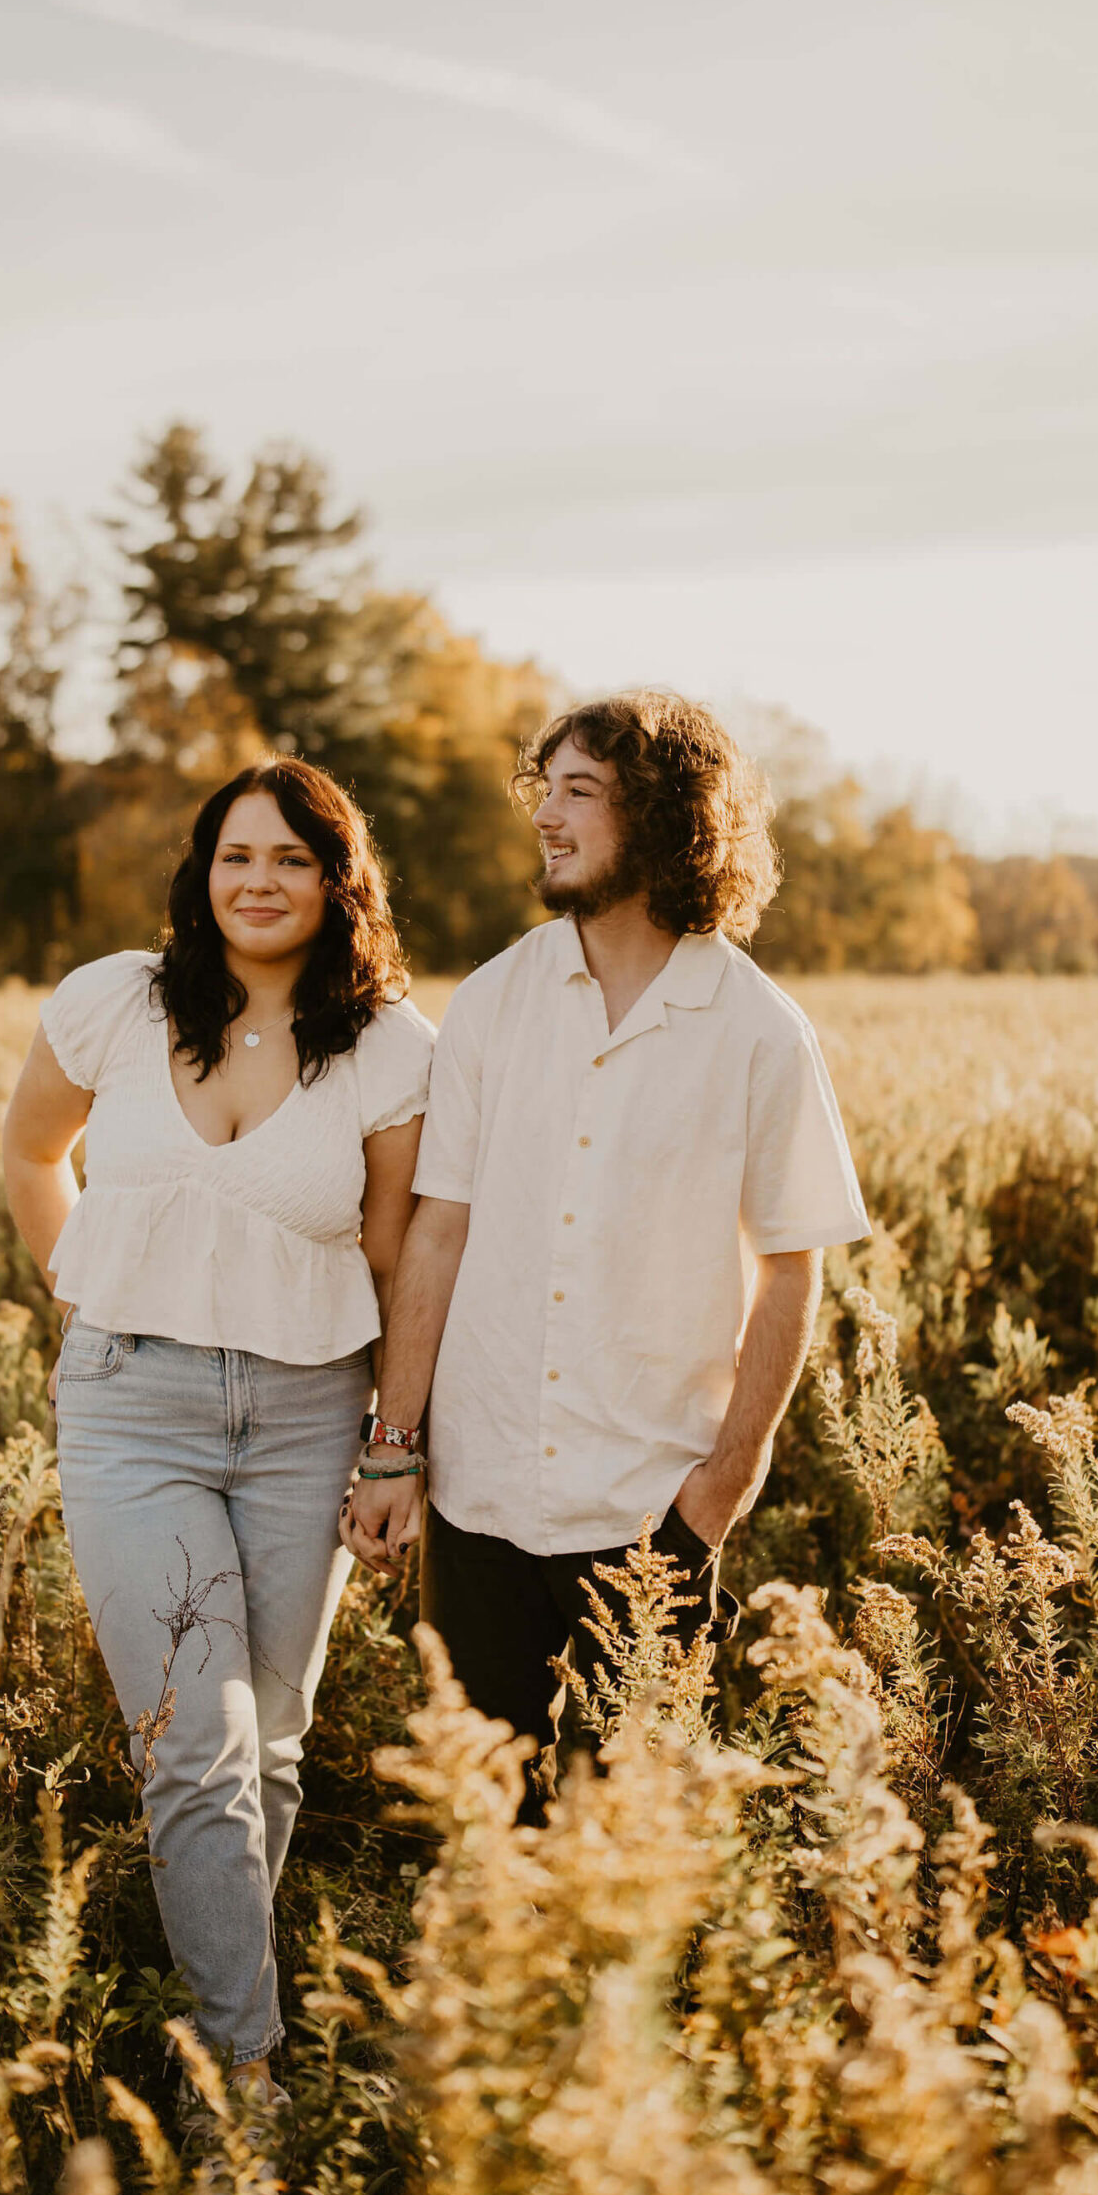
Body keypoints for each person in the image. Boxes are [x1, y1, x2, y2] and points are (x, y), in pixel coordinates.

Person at [344, 691, 868, 1822]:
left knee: (630, 1870)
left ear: (670, 817)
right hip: (477, 1505)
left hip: (649, 1522)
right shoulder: (491, 1001)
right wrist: (393, 1446)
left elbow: (792, 1272)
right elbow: (439, 1228)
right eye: (548, 789)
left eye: (580, 791)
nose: (548, 816)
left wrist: (719, 1492)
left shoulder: (760, 1032)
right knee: (485, 1845)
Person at [3, 759, 434, 2092]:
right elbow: (28, 1154)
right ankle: (237, 2076)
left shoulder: (389, 1045)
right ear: (202, 872)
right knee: (196, 1742)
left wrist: (390, 1446)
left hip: (309, 1413)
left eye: (290, 859)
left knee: (275, 1738)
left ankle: (221, 1988)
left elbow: (394, 1256)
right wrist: (98, 1297)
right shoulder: (116, 1003)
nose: (257, 880)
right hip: (134, 1409)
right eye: (235, 854)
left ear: (336, 880)